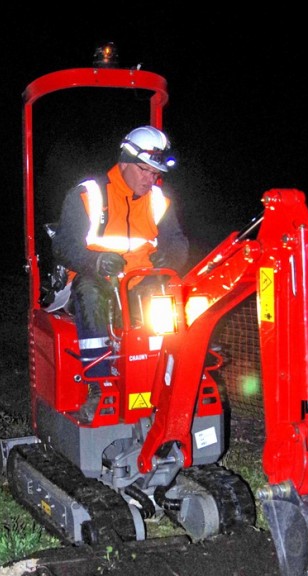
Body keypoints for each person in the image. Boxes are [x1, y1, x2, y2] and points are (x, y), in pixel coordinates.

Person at [51, 125, 189, 423]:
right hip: (94, 282)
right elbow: (62, 245)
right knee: (89, 291)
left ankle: (165, 382)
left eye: (155, 173)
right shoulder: (89, 195)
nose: (150, 179)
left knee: (166, 299)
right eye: (144, 170)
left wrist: (172, 257)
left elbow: (178, 243)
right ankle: (99, 386)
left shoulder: (159, 201)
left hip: (139, 284)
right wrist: (95, 262)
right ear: (124, 162)